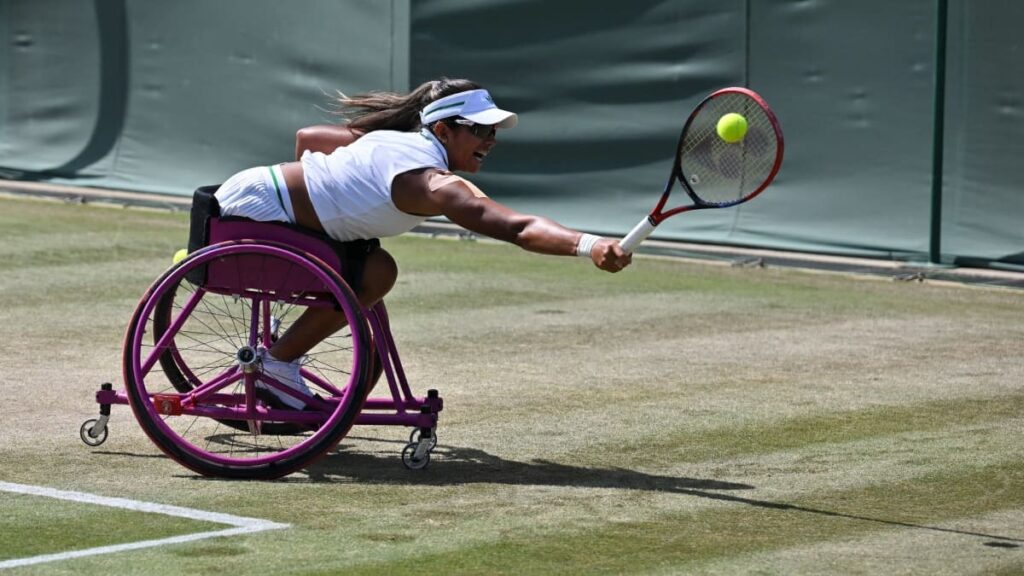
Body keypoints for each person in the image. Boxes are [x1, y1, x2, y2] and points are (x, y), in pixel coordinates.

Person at [214, 77, 632, 408]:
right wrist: (589, 245)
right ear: (443, 130)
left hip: (246, 196)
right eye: (481, 130)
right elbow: (517, 228)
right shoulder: (434, 184)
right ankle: (278, 363)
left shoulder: (393, 140)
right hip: (257, 216)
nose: (491, 140)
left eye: (493, 131)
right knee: (377, 273)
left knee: (376, 268)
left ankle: (282, 357)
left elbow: (308, 138)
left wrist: (335, 205)